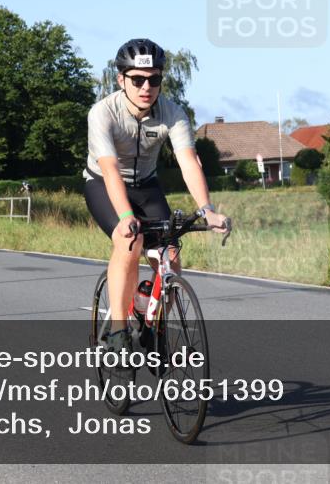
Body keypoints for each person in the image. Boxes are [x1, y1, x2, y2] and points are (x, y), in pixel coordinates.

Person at [84, 38, 229, 356]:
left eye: (154, 79)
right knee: (130, 243)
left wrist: (207, 210)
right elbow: (109, 169)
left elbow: (188, 161)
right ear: (121, 79)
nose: (146, 87)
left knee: (171, 255)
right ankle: (119, 332)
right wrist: (125, 217)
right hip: (103, 184)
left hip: (147, 185)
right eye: (137, 79)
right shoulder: (102, 113)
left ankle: (151, 323)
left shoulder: (172, 113)